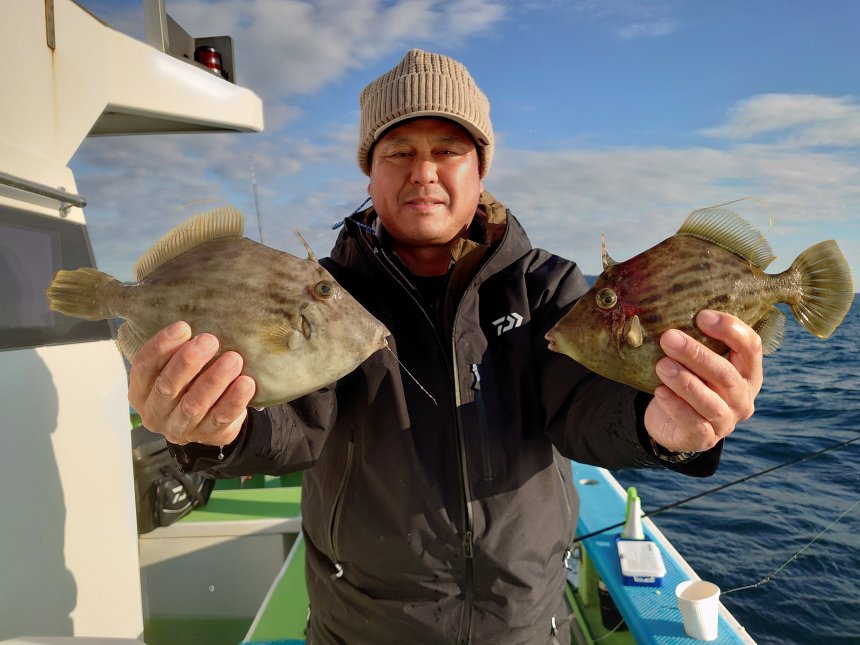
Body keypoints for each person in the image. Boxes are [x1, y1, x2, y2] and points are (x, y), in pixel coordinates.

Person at [129, 49, 763, 644]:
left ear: (479, 168)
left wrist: (661, 427)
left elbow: (584, 409)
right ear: (370, 172)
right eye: (398, 151)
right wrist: (217, 429)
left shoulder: (546, 286)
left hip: (521, 625)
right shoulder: (328, 294)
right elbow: (291, 423)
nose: (423, 172)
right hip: (362, 627)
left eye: (448, 150)